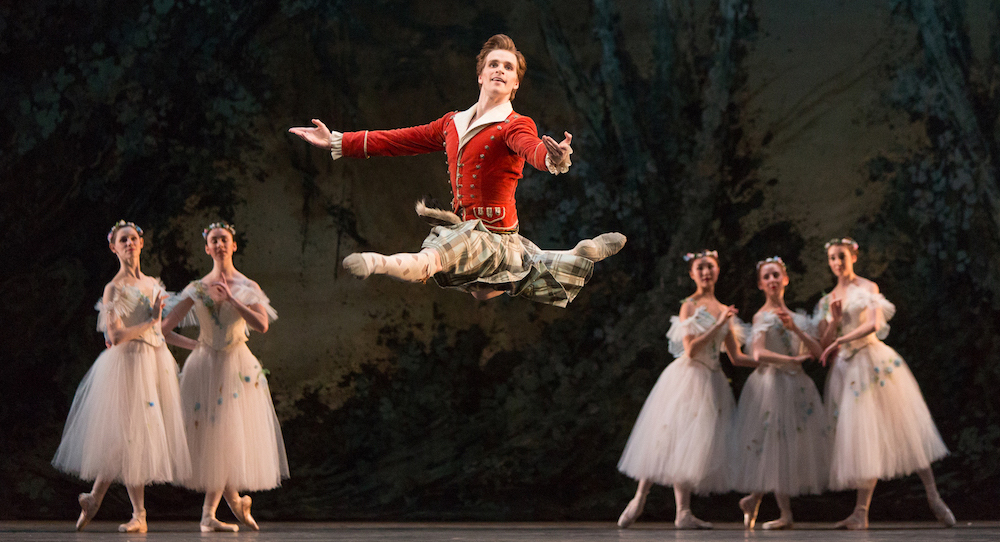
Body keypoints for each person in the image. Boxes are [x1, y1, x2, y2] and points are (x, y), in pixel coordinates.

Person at [289, 34, 625, 308]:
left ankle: (375, 262)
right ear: (480, 75)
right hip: (468, 226)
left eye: (508, 68)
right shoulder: (452, 123)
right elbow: (398, 140)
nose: (500, 70)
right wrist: (337, 140)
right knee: (482, 291)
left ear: (515, 85)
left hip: (493, 234)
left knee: (433, 259)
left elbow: (532, 148)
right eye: (494, 64)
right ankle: (577, 254)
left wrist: (555, 158)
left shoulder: (514, 125)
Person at [52, 221, 194, 533]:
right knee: (130, 436)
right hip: (128, 366)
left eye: (133, 238)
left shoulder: (153, 285)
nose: (129, 243)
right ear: (113, 248)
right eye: (122, 240)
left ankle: (97, 498)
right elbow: (116, 336)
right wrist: (151, 323)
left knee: (132, 438)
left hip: (154, 363)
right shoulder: (114, 288)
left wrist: (195, 344)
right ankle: (134, 512)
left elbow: (162, 331)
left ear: (142, 244)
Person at [816, 237, 955, 529]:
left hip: (872, 362)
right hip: (846, 371)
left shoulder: (868, 288)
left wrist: (843, 337)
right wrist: (834, 323)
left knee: (905, 426)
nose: (837, 263)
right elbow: (822, 344)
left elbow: (874, 324)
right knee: (865, 438)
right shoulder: (827, 299)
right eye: (832, 258)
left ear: (854, 255)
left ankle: (933, 495)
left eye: (841, 256)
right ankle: (860, 512)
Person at [161, 222, 288, 532]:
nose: (219, 244)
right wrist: (195, 345)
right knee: (212, 435)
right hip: (204, 365)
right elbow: (165, 329)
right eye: (214, 240)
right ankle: (228, 506)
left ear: (234, 246)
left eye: (224, 240)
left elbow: (261, 324)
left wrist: (232, 299)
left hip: (236, 365)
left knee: (227, 432)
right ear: (207, 248)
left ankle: (213, 512)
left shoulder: (247, 286)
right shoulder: (197, 288)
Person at [616, 250, 752, 529]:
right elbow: (690, 350)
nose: (705, 272)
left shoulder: (724, 309)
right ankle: (640, 498)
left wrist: (769, 362)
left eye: (710, 267)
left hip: (712, 380)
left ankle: (683, 512)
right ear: (692, 274)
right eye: (700, 268)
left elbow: (736, 357)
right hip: (688, 376)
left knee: (689, 446)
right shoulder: (689, 306)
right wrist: (718, 324)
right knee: (666, 435)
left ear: (717, 270)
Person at [730, 256, 830, 530]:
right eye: (767, 277)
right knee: (775, 444)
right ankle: (782, 512)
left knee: (787, 446)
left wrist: (794, 328)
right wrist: (791, 362)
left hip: (796, 386)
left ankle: (754, 500)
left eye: (776, 275)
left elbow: (819, 352)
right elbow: (759, 353)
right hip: (771, 385)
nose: (773, 280)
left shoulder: (798, 317)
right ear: (761, 284)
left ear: (785, 279)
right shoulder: (761, 316)